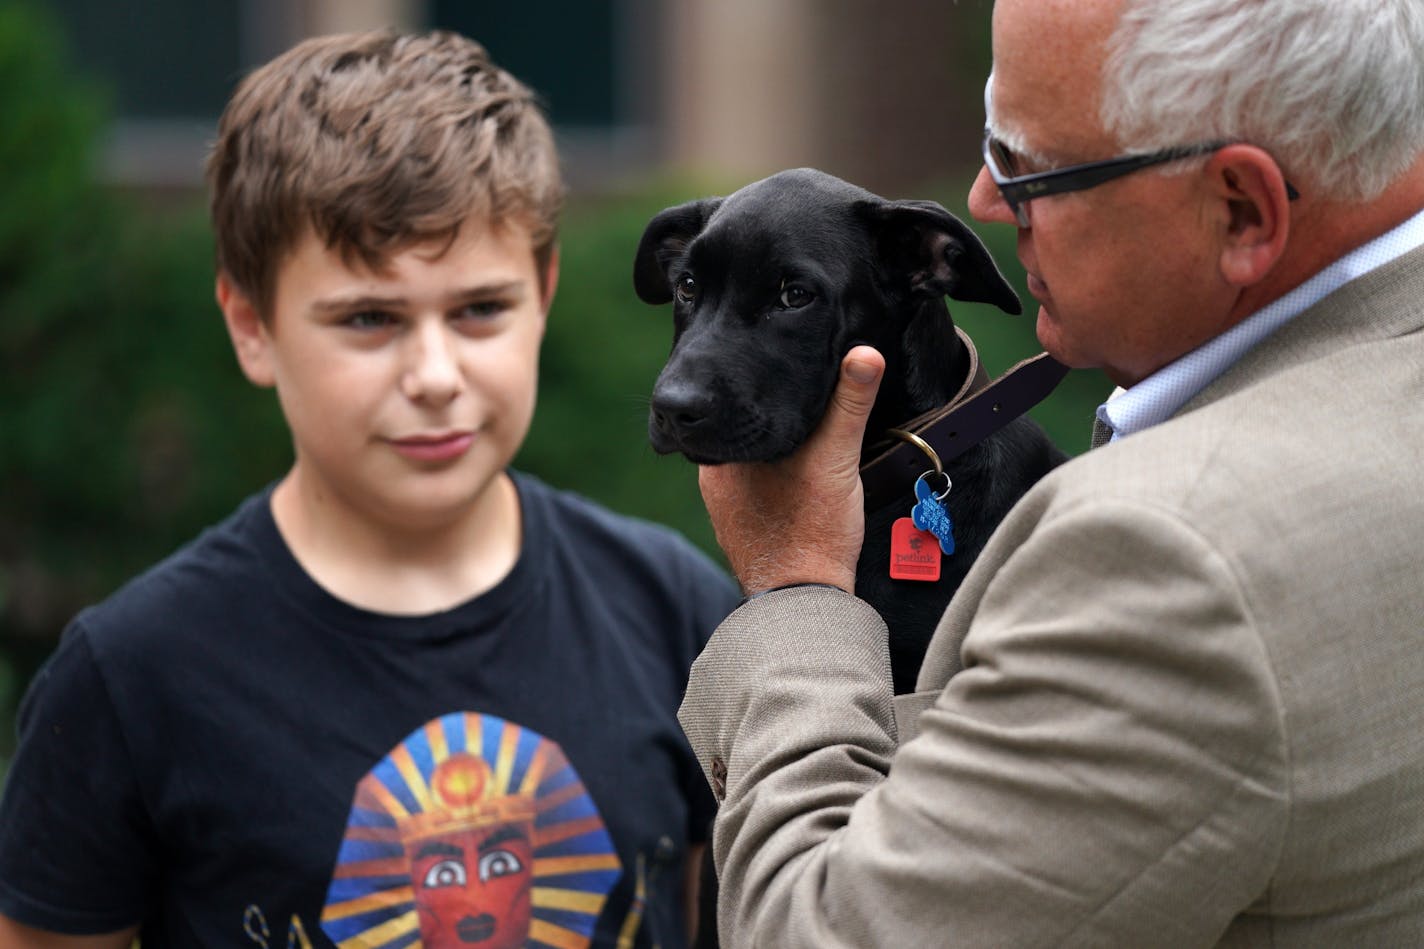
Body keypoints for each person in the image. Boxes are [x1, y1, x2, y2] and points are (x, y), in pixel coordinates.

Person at [677, 0, 1424, 944]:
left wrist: (795, 586)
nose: (986, 201)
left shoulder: (1169, 556)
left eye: (1029, 165)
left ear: (1240, 209)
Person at [0, 29, 738, 948]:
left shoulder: (683, 615)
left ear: (543, 291)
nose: (435, 374)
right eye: (369, 318)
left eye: (479, 308)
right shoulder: (128, 681)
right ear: (251, 323)